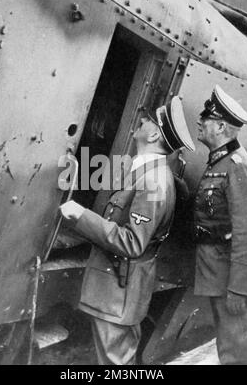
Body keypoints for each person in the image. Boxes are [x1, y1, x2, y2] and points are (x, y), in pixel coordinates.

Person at [59, 97, 195, 365]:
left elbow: (133, 243)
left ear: (154, 133)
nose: (141, 121)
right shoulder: (146, 172)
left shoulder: (154, 182)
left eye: (147, 120)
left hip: (119, 291)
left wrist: (81, 215)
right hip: (118, 289)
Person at [194, 85, 247, 365]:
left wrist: (239, 289)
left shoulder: (238, 166)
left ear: (221, 126)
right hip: (219, 274)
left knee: (239, 353)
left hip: (233, 281)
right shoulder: (218, 163)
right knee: (230, 349)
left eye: (205, 119)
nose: (199, 122)